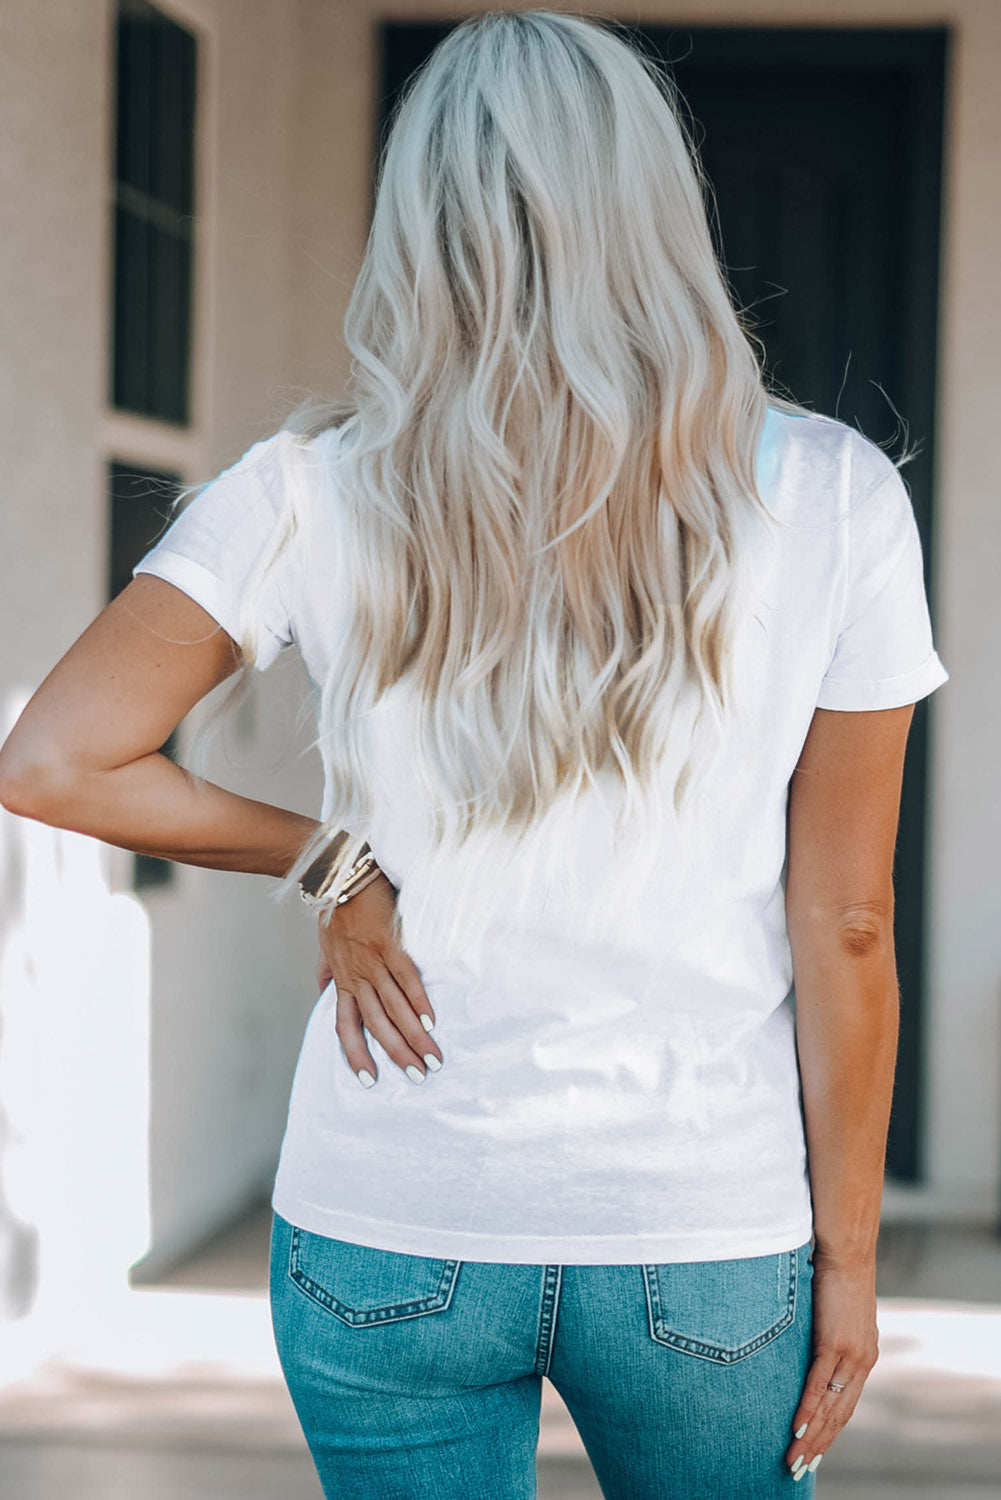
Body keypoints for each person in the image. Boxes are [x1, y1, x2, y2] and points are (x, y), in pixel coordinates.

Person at [0, 11, 949, 1499]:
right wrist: (846, 1261)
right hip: (700, 1231)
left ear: (422, 220)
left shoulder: (311, 487)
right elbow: (847, 923)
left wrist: (335, 860)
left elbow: (57, 760)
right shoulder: (830, 493)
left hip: (392, 1212)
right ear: (655, 205)